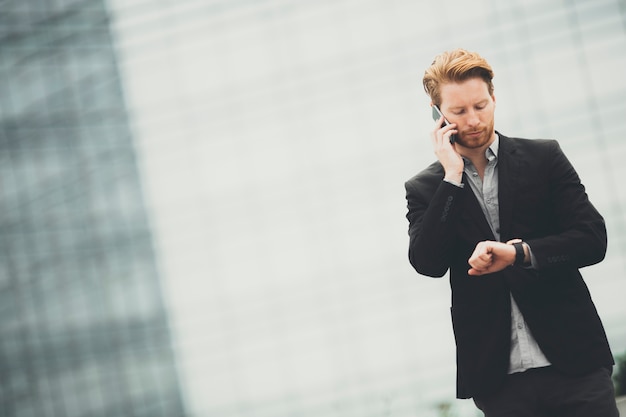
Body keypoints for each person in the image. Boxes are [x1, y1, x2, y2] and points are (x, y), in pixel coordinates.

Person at [404, 48, 619, 416]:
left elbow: (592, 239)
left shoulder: (543, 158)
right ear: (438, 114)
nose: (473, 120)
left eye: (481, 105)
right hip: (498, 381)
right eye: (459, 111)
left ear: (494, 98)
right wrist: (452, 179)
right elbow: (428, 263)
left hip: (575, 363)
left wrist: (520, 253)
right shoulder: (426, 187)